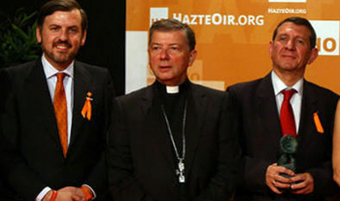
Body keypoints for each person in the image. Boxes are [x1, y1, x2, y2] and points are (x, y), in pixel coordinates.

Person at [107, 18, 241, 201]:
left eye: (174, 48)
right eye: (156, 48)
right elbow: (119, 175)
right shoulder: (126, 108)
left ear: (191, 56)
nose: (163, 56)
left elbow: (228, 170)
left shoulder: (218, 104)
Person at [0, 0, 114, 200]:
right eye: (55, 29)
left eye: (72, 30)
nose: (63, 37)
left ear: (83, 36)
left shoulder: (100, 80)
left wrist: (87, 191)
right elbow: (5, 151)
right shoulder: (12, 81)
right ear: (39, 34)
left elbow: (112, 144)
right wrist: (47, 196)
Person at [227, 16, 339, 201]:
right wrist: (262, 173)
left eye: (300, 41)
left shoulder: (330, 102)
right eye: (283, 39)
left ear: (312, 55)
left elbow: (335, 166)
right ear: (271, 48)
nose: (289, 46)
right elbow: (225, 158)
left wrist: (315, 180)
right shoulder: (239, 96)